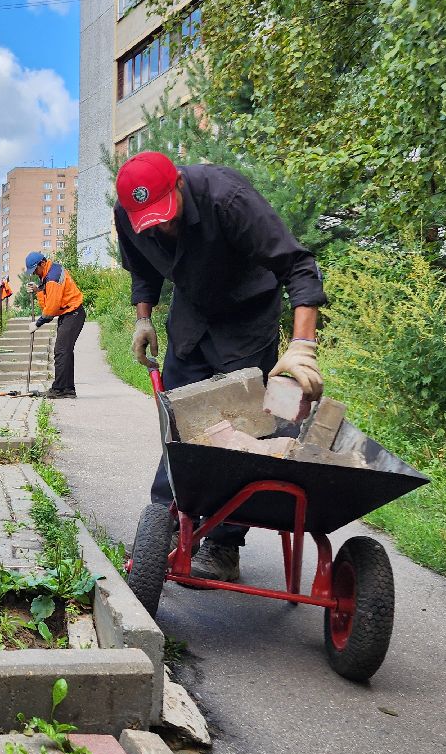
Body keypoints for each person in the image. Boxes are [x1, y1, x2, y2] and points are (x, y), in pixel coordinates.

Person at [114, 149, 327, 582]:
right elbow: (142, 269)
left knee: (241, 426)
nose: (165, 228)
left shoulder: (226, 198)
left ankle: (225, 544)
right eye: (153, 223)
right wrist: (143, 318)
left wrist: (303, 344)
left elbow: (298, 266)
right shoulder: (129, 214)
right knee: (180, 422)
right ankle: (167, 523)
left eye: (168, 217)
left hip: (247, 318)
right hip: (193, 317)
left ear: (178, 184)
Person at [23, 250, 86, 399]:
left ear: (42, 263)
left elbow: (50, 310)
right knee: (65, 351)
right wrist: (39, 291)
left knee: (61, 351)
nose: (34, 274)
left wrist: (37, 324)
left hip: (73, 313)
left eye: (35, 270)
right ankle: (68, 390)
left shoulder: (52, 277)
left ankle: (58, 389)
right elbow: (48, 301)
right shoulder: (51, 272)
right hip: (69, 314)